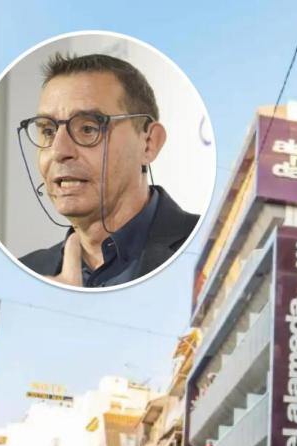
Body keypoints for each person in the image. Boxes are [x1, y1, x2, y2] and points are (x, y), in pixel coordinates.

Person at [17, 53, 199, 288]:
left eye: (88, 128)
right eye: (49, 131)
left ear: (148, 143)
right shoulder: (26, 273)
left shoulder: (212, 246)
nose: (58, 151)